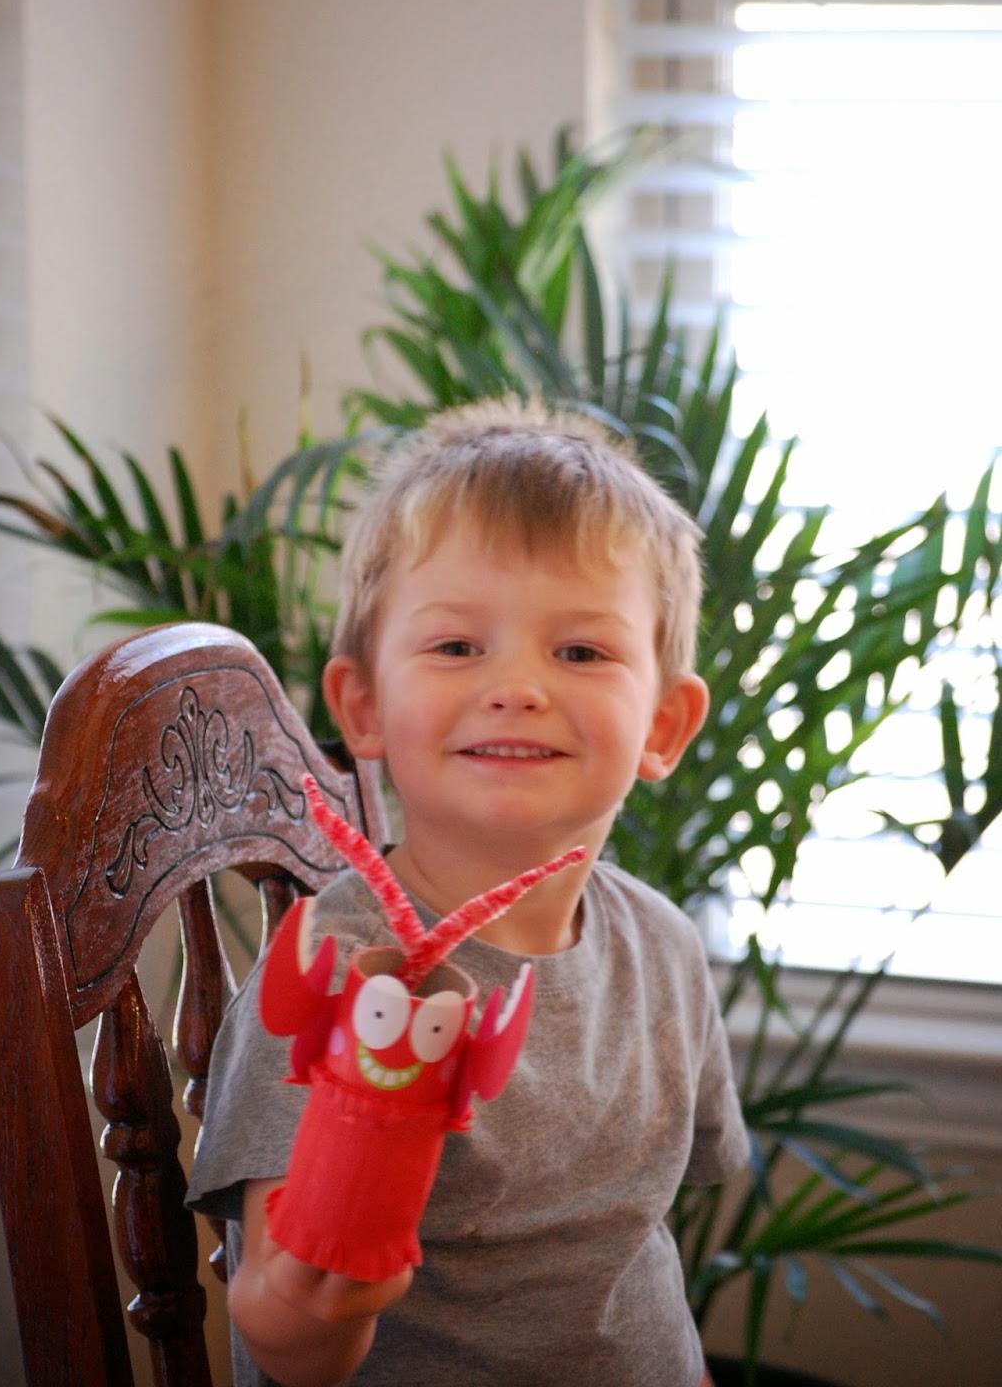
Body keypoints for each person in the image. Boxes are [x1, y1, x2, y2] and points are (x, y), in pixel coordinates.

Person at [187, 397, 749, 1387]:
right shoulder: (337, 977)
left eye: (580, 651)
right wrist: (309, 1302)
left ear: (663, 725)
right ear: (364, 705)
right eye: (456, 647)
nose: (516, 687)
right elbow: (292, 1346)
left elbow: (632, 1247)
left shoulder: (661, 947)